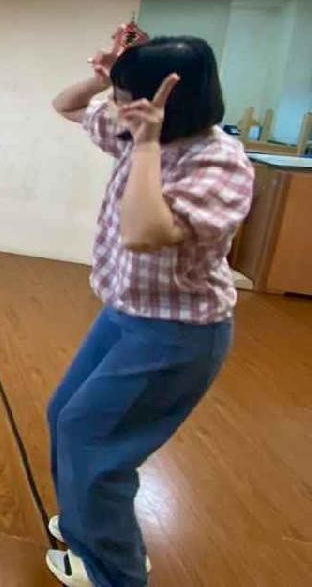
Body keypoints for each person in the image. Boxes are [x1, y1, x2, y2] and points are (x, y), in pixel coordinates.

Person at [45, 33, 254, 587]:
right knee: (63, 415)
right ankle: (86, 521)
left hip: (177, 334)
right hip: (123, 314)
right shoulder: (138, 132)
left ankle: (114, 571)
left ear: (167, 104)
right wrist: (101, 76)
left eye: (123, 96)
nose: (113, 106)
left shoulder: (220, 163)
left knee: (94, 445)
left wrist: (143, 146)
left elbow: (144, 233)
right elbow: (65, 106)